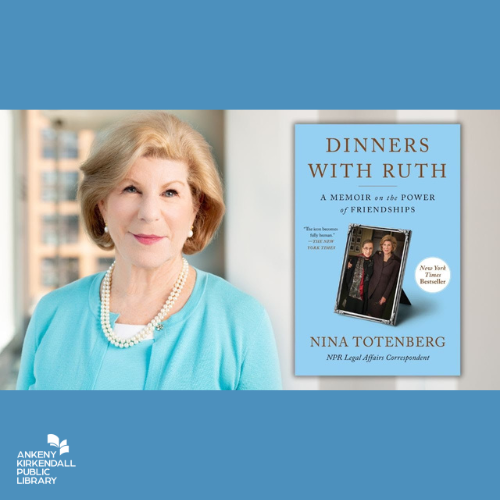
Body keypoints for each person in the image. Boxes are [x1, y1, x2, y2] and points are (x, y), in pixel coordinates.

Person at [17, 112, 282, 390]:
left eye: (170, 193)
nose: (149, 213)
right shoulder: (52, 313)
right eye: (131, 189)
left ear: (195, 209)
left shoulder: (242, 321)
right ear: (102, 204)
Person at [367, 235, 401, 319]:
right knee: (367, 313)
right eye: (384, 245)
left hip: (381, 294)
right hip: (369, 291)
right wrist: (351, 263)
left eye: (389, 245)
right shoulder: (376, 256)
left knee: (377, 316)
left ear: (392, 246)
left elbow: (392, 281)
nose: (386, 247)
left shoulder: (396, 262)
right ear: (382, 246)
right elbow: (365, 261)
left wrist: (385, 296)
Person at [342, 240, 374, 314]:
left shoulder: (372, 261)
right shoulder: (355, 259)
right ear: (362, 249)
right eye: (366, 248)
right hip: (353, 292)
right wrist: (350, 287)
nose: (368, 251)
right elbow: (348, 276)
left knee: (360, 312)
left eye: (370, 248)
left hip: (364, 293)